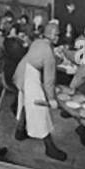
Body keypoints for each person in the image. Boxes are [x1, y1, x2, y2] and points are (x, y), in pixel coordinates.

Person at [14, 19, 65, 161]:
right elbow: (49, 81)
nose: (58, 37)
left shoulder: (38, 42)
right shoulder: (48, 52)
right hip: (31, 77)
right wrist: (52, 99)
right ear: (53, 37)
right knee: (40, 111)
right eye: (58, 35)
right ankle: (50, 148)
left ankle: (19, 131)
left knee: (24, 102)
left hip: (22, 70)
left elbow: (39, 56)